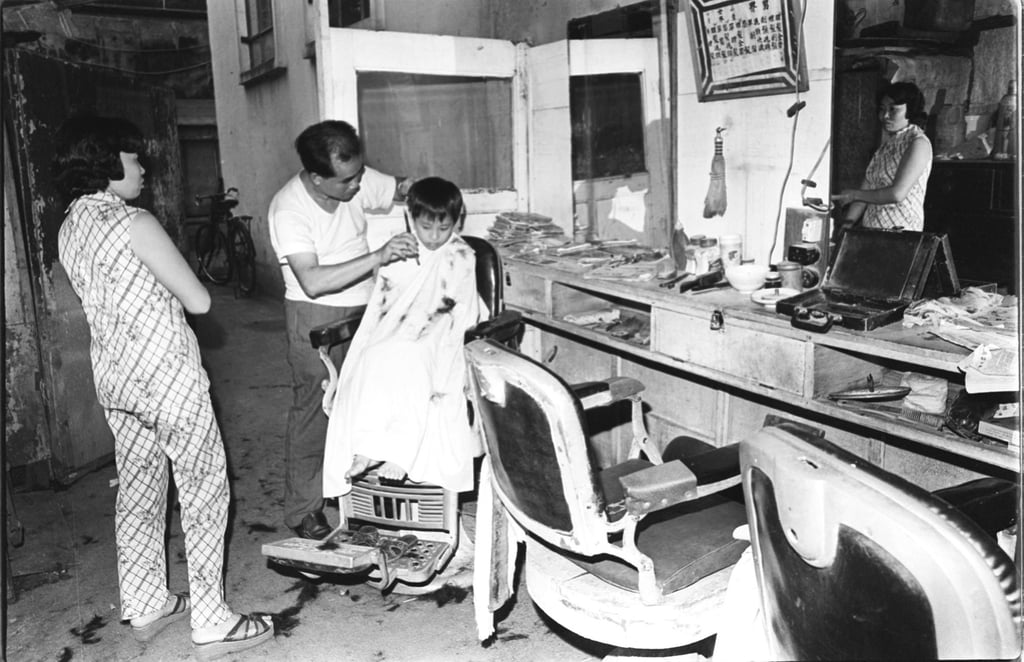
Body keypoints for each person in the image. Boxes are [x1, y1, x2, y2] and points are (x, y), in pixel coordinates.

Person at [53, 115, 273, 659]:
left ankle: (148, 601)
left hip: (117, 379)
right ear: (107, 166)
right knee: (202, 489)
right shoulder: (135, 222)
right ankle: (212, 620)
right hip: (166, 376)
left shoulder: (69, 225)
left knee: (139, 490)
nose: (144, 169)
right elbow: (198, 300)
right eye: (133, 159)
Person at [268, 120, 417, 540]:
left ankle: (363, 501)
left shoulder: (354, 178)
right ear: (318, 178)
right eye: (347, 181)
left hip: (365, 311)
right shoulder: (289, 209)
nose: (357, 186)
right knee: (315, 414)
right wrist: (381, 255)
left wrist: (431, 201)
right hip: (315, 317)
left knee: (367, 408)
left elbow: (401, 189)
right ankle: (304, 511)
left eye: (358, 174)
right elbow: (312, 280)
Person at [322, 176, 484, 496]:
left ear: (456, 221)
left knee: (413, 358)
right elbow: (384, 304)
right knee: (373, 356)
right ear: (411, 218)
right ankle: (369, 448)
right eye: (426, 228)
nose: (435, 237)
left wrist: (423, 328)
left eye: (444, 227)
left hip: (444, 331)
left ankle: (399, 453)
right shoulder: (398, 249)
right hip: (399, 327)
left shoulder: (462, 254)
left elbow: (459, 307)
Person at [831, 81, 933, 232]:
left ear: (910, 110)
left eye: (893, 109)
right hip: (873, 231)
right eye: (882, 109)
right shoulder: (885, 148)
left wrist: (854, 194)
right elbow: (862, 197)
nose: (885, 115)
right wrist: (844, 230)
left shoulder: (918, 143)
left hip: (901, 233)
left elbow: (897, 194)